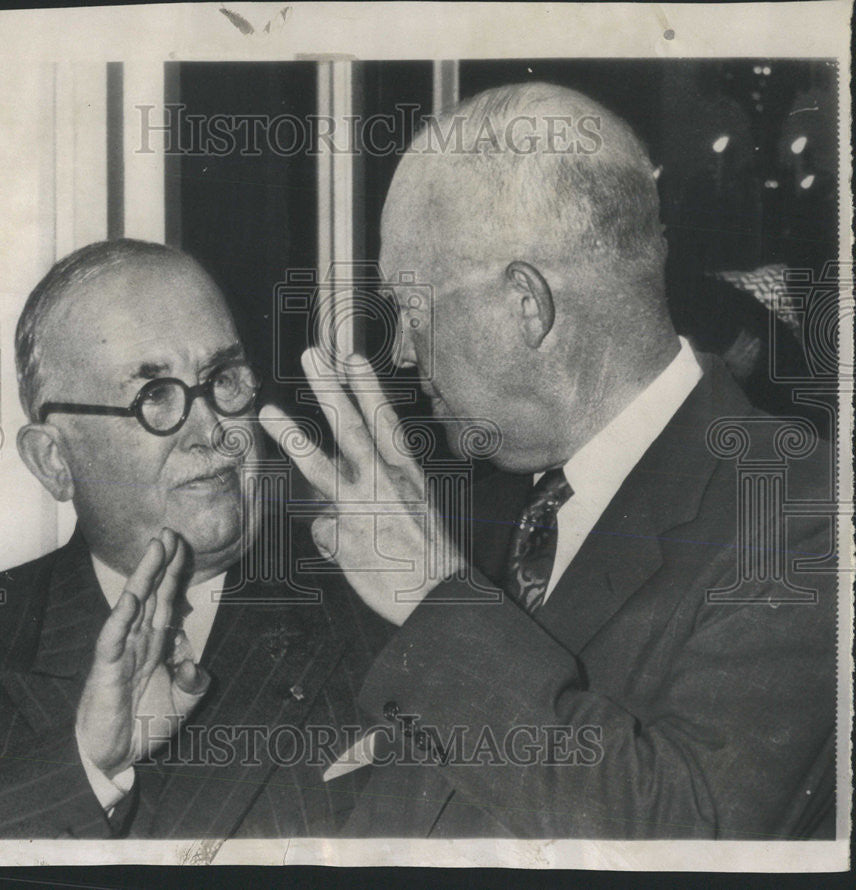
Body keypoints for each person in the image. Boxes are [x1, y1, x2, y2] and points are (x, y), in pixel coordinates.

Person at [262, 83, 836, 839]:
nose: (399, 349)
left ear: (526, 304)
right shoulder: (500, 501)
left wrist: (440, 597)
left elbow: (685, 836)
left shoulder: (805, 517)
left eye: (410, 306)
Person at [0, 239, 391, 839]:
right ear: (53, 461)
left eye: (223, 378)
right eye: (154, 396)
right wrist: (90, 764)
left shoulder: (378, 603)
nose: (213, 430)